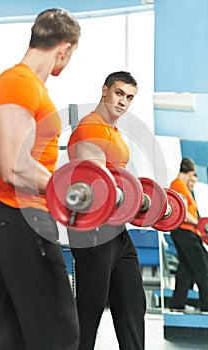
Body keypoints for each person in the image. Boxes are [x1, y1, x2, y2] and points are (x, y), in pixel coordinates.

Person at [0, 8, 80, 350]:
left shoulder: (27, 86)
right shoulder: (18, 82)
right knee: (59, 332)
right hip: (20, 218)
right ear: (64, 49)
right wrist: (70, 191)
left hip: (24, 219)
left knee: (15, 333)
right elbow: (13, 166)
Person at [67, 71, 146, 350]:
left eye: (129, 97)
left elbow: (121, 181)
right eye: (119, 93)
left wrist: (143, 200)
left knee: (132, 304)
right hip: (92, 228)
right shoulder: (90, 128)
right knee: (90, 309)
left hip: (117, 229)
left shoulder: (112, 132)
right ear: (104, 90)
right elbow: (98, 183)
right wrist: (132, 198)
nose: (123, 101)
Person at [169, 158, 208, 313]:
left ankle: (177, 303)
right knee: (203, 266)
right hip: (184, 232)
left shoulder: (183, 188)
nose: (193, 181)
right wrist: (199, 222)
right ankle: (207, 303)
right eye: (193, 177)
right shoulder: (178, 186)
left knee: (185, 268)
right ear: (190, 172)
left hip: (188, 232)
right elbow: (183, 213)